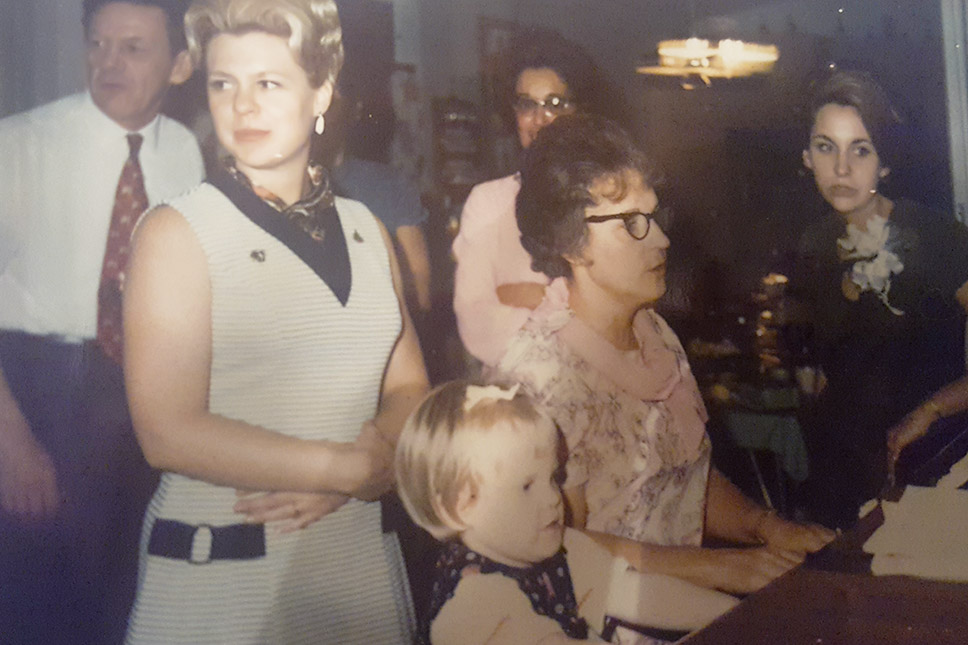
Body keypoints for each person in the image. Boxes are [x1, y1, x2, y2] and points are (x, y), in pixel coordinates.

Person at [122, 0, 428, 642]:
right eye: (223, 84)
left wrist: (369, 462)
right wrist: (342, 471)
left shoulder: (368, 230)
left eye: (269, 83)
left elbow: (410, 390)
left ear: (321, 91)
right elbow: (168, 432)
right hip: (226, 577)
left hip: (357, 569)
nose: (242, 105)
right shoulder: (177, 232)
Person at [494, 114, 834, 600]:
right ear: (570, 243)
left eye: (654, 217)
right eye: (632, 222)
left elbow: (681, 477)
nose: (661, 239)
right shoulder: (537, 377)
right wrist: (718, 568)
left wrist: (765, 526)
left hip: (680, 609)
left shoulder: (655, 333)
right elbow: (558, 548)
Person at [0, 1, 202, 642]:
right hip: (41, 393)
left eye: (133, 48)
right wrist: (10, 441)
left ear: (180, 65)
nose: (108, 63)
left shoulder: (188, 153)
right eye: (98, 44)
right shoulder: (20, 144)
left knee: (129, 598)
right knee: (41, 609)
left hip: (143, 395)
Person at [395, 381, 739, 645]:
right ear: (461, 507)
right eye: (526, 486)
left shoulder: (555, 550)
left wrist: (735, 617)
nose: (553, 498)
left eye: (553, 477)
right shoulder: (476, 605)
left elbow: (635, 593)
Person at [794, 70, 968, 527]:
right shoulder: (814, 242)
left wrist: (931, 410)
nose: (842, 168)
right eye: (826, 147)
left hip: (926, 465)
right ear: (807, 157)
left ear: (885, 163)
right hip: (842, 475)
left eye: (862, 149)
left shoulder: (937, 238)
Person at [452, 27, 602, 368]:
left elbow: (614, 318)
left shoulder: (605, 197)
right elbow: (475, 317)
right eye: (526, 105)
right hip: (514, 394)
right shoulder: (487, 202)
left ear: (580, 112)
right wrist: (567, 309)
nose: (539, 120)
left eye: (555, 104)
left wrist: (529, 296)